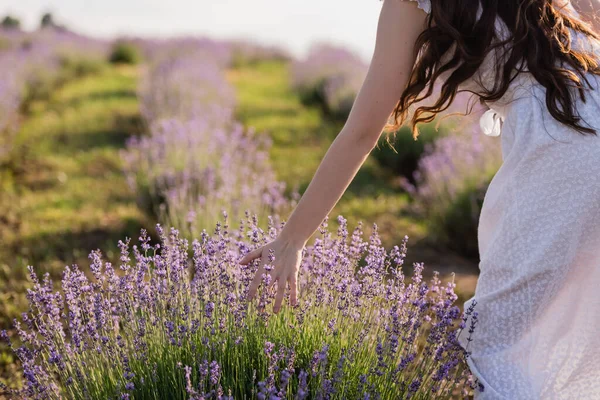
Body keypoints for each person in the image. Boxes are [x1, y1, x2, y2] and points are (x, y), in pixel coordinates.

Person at [239, 0, 600, 398]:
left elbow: (362, 130)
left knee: (499, 337)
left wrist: (292, 238)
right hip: (579, 131)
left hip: (564, 151)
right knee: (583, 305)